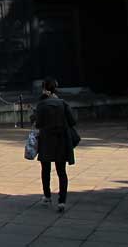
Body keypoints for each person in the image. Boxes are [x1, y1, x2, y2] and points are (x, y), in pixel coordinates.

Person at [34, 77, 76, 213]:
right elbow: (72, 121)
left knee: (45, 169)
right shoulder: (62, 103)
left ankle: (47, 195)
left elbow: (38, 123)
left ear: (44, 89)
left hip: (46, 140)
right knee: (61, 171)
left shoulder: (42, 104)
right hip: (61, 140)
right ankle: (62, 201)